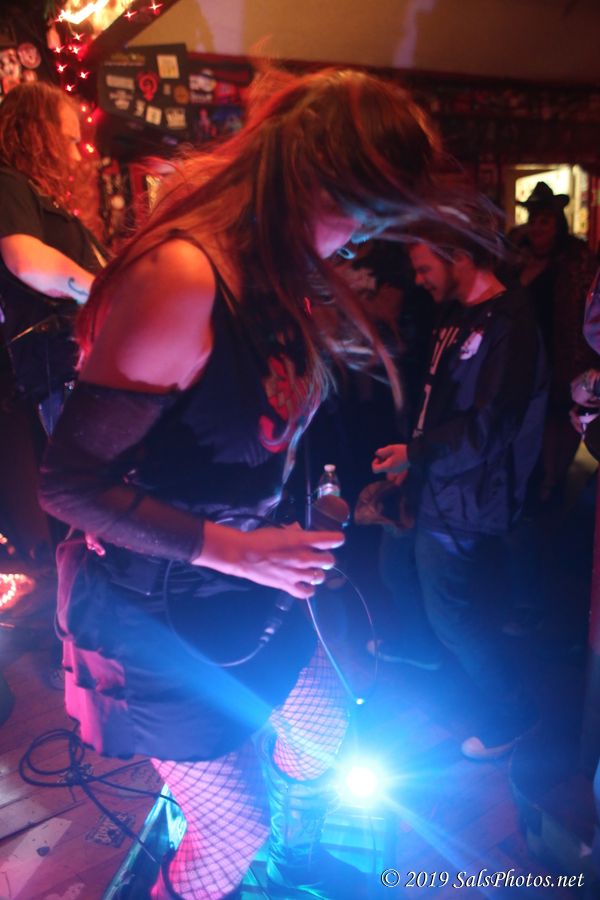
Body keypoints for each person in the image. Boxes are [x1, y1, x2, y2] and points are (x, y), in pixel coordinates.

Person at [39, 68, 439, 899]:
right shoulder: (186, 276)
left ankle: (291, 865)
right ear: (312, 178)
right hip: (161, 622)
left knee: (324, 739)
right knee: (231, 832)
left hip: (253, 598)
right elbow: (68, 484)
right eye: (362, 216)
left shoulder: (275, 276)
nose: (359, 242)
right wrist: (240, 550)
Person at [371, 202, 548, 761]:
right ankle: (453, 682)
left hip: (469, 493)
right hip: (436, 482)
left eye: (426, 267)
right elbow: (437, 401)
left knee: (454, 613)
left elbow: (492, 425)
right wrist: (411, 459)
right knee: (413, 581)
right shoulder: (454, 313)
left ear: (460, 255)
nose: (419, 280)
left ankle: (516, 711)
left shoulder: (511, 321)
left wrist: (417, 454)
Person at [0, 82, 104, 565]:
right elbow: (26, 261)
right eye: (68, 139)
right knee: (94, 502)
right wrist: (105, 292)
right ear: (37, 133)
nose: (76, 154)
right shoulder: (8, 183)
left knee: (98, 502)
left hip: (75, 361)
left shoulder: (35, 195)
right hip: (61, 363)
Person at [510, 181, 598, 505]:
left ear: (557, 224)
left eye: (544, 221)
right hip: (525, 357)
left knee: (558, 422)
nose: (537, 228)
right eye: (533, 221)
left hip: (562, 356)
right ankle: (531, 487)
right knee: (527, 425)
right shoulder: (517, 260)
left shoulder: (576, 260)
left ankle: (551, 487)